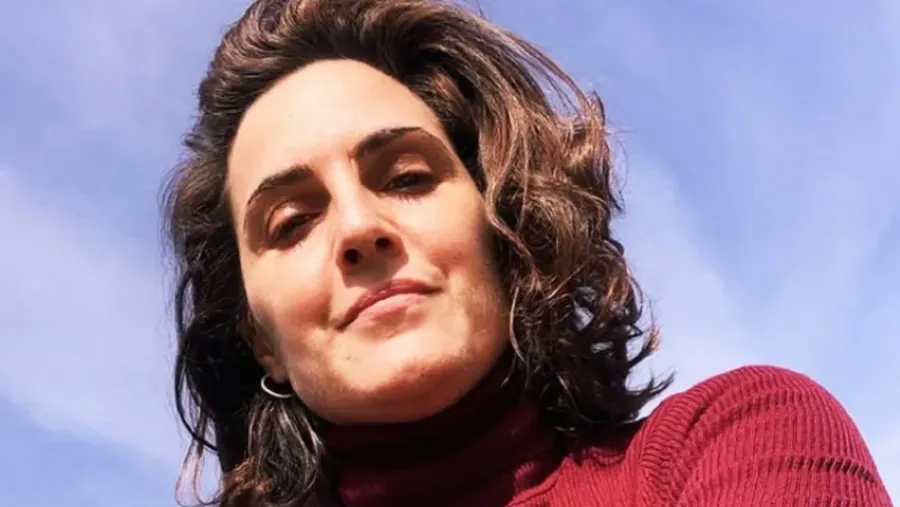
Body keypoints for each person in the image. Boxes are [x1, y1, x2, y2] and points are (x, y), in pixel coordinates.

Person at [161, 0, 892, 505]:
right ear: (261, 342)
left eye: (407, 177)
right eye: (291, 222)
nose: (358, 227)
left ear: (501, 227)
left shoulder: (736, 440)